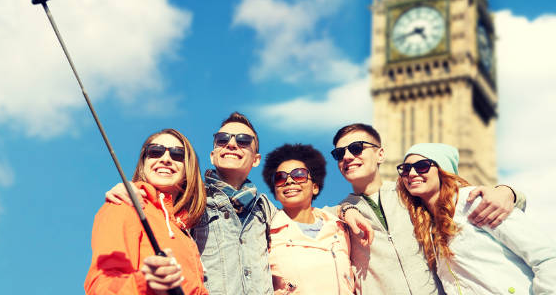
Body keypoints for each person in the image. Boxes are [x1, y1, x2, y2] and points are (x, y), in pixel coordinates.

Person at [334, 123, 526, 295]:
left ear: (380, 154)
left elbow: (457, 197)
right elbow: (310, 216)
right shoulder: (335, 216)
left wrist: (509, 192)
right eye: (339, 153)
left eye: (356, 148)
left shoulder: (411, 190)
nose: (347, 157)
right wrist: (345, 209)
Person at [106, 112, 276, 294]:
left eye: (243, 140)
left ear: (256, 159)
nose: (231, 144)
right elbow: (160, 196)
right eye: (222, 139)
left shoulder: (265, 209)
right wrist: (130, 188)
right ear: (213, 155)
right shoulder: (192, 198)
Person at [397, 143, 556, 294]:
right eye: (405, 169)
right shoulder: (427, 227)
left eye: (422, 166)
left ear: (442, 170)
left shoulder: (475, 201)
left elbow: (546, 257)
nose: (411, 173)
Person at [84, 128, 208, 295]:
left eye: (177, 155)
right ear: (144, 163)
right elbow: (102, 285)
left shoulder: (184, 231)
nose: (165, 159)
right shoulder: (123, 204)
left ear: (188, 168)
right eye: (155, 152)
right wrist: (146, 283)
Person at [261, 144, 354, 295]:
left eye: (299, 175)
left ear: (315, 187)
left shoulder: (341, 228)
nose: (289, 181)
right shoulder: (266, 233)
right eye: (280, 178)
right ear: (276, 193)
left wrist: (347, 209)